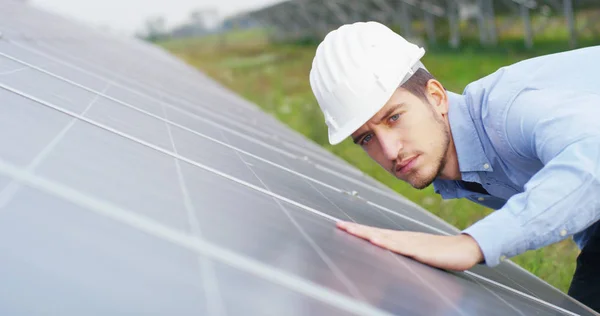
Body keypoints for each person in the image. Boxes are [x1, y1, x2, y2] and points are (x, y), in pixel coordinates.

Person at [308, 21, 600, 312]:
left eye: (394, 118)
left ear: (435, 96)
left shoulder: (509, 111)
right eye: (367, 138)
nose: (389, 150)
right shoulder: (465, 171)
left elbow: (593, 158)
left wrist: (469, 245)